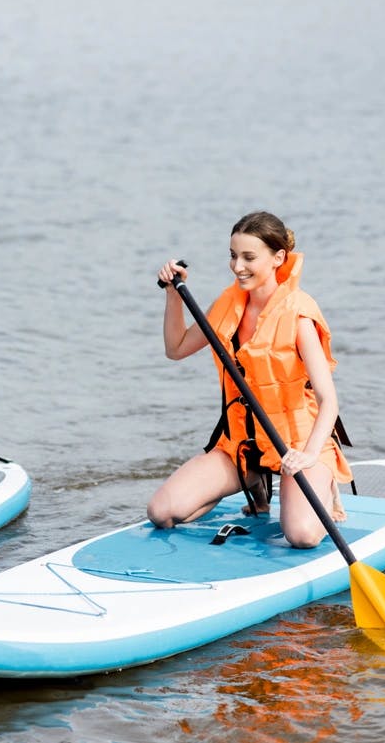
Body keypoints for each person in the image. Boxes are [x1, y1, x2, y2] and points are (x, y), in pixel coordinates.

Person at [146, 211, 352, 548]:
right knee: (162, 511)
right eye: (233, 255)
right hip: (242, 447)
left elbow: (329, 401)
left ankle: (323, 491)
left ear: (278, 258)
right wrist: (172, 292)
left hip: (296, 445)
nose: (237, 266)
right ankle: (252, 482)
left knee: (301, 536)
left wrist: (309, 455)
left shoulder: (298, 314)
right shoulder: (228, 305)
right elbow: (177, 348)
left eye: (248, 257)